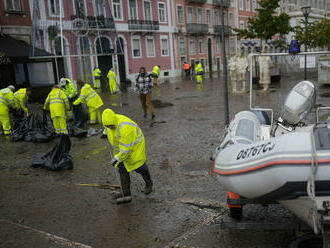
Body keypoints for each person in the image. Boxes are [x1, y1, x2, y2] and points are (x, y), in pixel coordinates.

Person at [102, 108, 153, 204]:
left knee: (139, 167)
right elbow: (109, 128)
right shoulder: (109, 121)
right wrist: (106, 130)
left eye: (111, 126)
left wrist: (117, 158)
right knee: (122, 169)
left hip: (134, 146)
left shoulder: (125, 128)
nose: (110, 127)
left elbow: (126, 149)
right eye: (108, 126)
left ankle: (149, 184)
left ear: (114, 121)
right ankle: (126, 193)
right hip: (123, 148)